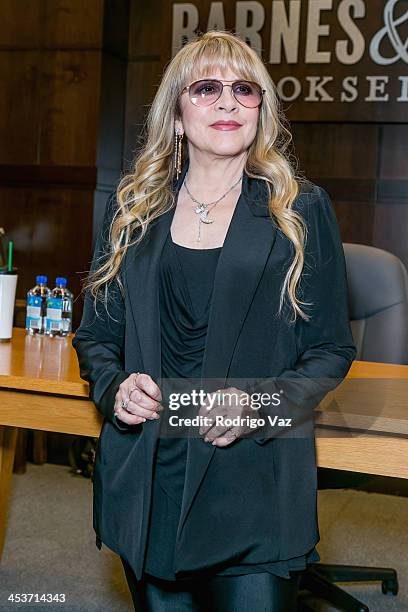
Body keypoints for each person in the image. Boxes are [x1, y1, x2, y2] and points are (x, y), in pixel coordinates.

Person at [72, 30, 356, 612]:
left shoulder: (300, 210)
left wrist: (257, 404)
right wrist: (113, 386)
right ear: (176, 116)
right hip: (148, 480)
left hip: (252, 483)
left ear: (260, 111)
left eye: (243, 89)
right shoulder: (130, 211)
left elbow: (329, 351)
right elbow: (96, 336)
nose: (228, 101)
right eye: (206, 88)